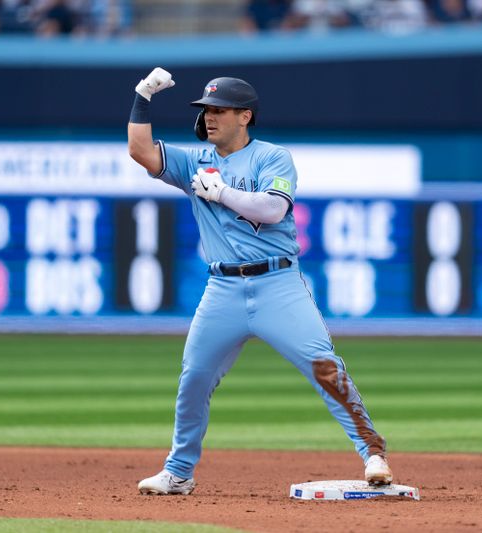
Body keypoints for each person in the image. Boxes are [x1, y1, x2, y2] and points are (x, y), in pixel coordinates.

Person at [127, 68, 393, 495]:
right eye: (206, 110)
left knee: (324, 367)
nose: (209, 117)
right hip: (222, 289)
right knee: (194, 377)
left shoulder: (272, 156)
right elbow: (140, 150)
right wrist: (143, 97)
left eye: (220, 110)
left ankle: (373, 453)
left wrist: (222, 193)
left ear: (245, 116)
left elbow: (272, 210)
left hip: (278, 283)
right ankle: (178, 472)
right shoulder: (195, 161)